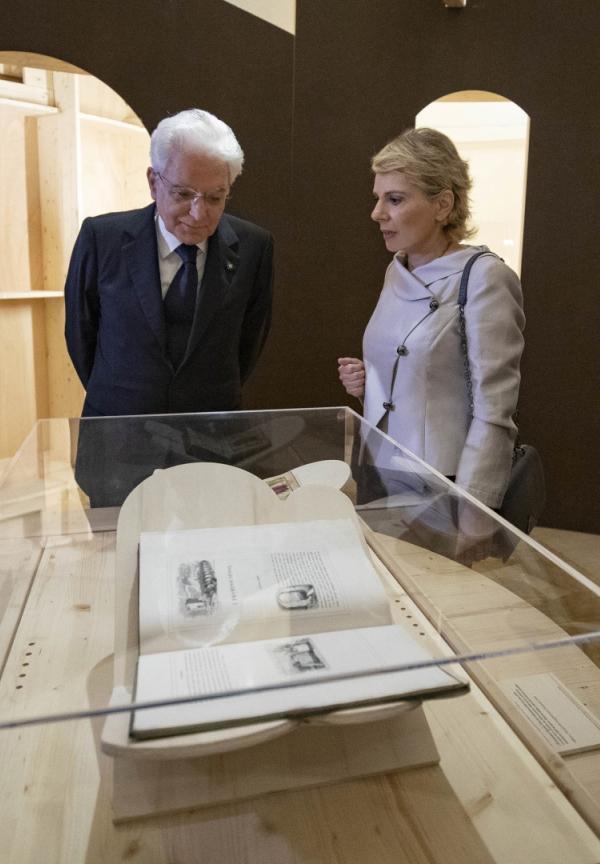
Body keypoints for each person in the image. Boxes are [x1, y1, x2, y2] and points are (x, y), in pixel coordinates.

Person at [338, 127, 525, 541]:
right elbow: (421, 375)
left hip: (439, 482)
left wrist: (475, 510)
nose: (377, 213)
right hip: (378, 468)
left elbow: (494, 407)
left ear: (443, 205)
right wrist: (366, 384)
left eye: (396, 199)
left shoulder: (485, 278)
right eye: (378, 198)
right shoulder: (397, 269)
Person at [65, 108, 273, 417]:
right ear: (153, 182)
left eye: (215, 198)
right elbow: (81, 335)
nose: (198, 213)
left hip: (211, 432)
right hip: (117, 427)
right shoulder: (101, 239)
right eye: (183, 194)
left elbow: (249, 342)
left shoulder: (254, 247)